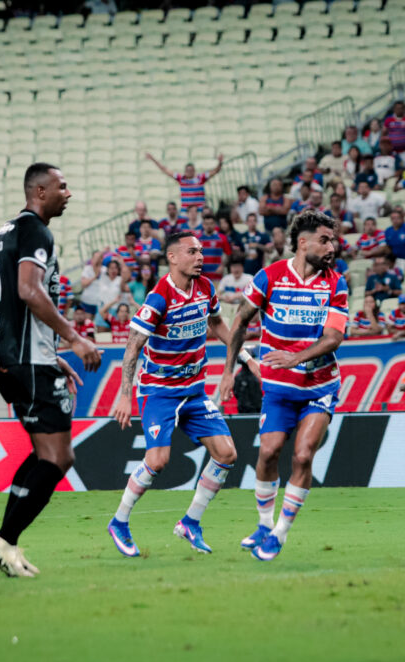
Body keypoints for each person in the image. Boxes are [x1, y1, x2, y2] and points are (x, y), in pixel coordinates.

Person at [0, 163, 101, 577]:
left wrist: (53, 354)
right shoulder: (36, 230)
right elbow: (29, 291)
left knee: (41, 454)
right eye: (61, 186)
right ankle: (4, 542)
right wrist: (75, 338)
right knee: (58, 457)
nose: (68, 193)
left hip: (11, 356)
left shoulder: (7, 230)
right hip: (26, 359)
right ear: (39, 191)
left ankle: (4, 543)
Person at [107, 232, 252, 557]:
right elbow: (133, 345)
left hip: (193, 391)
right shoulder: (159, 297)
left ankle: (190, 522)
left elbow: (218, 326)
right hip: (159, 392)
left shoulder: (205, 288)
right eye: (192, 251)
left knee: (227, 454)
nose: (200, 256)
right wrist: (124, 394)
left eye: (201, 250)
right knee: (159, 460)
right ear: (173, 257)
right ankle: (119, 521)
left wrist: (245, 359)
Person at [219, 211, 348, 562]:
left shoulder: (336, 282)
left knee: (303, 455)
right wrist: (229, 371)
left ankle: (279, 534)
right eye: (325, 239)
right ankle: (263, 524)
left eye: (333, 240)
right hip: (277, 388)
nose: (331, 246)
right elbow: (240, 319)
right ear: (303, 242)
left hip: (319, 386)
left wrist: (295, 358)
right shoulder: (270, 276)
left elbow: (334, 337)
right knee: (268, 452)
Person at [146, 152, 223, 212]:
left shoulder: (200, 178)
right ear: (185, 171)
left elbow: (215, 171)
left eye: (191, 170)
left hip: (199, 211)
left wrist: (220, 162)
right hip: (186, 211)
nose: (189, 172)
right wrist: (153, 159)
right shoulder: (181, 179)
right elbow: (165, 170)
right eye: (187, 170)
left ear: (194, 171)